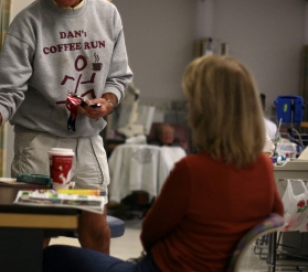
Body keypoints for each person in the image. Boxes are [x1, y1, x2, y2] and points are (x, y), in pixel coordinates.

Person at [0, 0, 133, 254]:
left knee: (96, 230)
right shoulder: (28, 21)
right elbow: (7, 89)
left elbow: (118, 78)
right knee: (33, 230)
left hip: (86, 140)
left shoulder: (107, 15)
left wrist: (107, 102)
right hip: (38, 138)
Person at [43, 54, 284, 272]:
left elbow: (149, 234)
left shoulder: (192, 170)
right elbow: (275, 218)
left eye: (192, 101)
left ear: (205, 112)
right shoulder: (263, 167)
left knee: (52, 256)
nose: (189, 108)